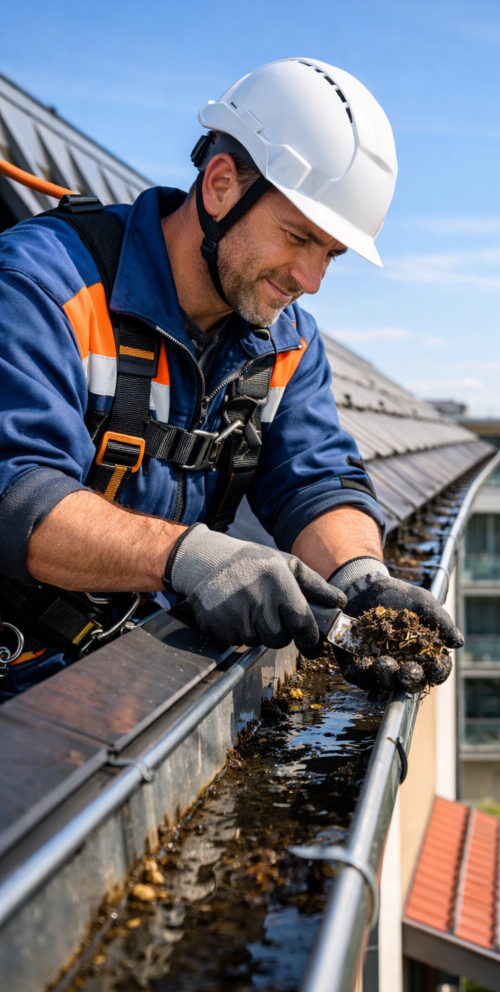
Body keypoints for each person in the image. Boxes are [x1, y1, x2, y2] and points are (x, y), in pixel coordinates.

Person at [0, 57, 459, 696]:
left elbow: (313, 477)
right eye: (297, 236)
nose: (310, 280)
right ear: (220, 186)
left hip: (128, 679)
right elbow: (16, 494)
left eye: (331, 254)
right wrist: (186, 557)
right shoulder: (42, 288)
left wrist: (361, 578)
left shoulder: (286, 342)